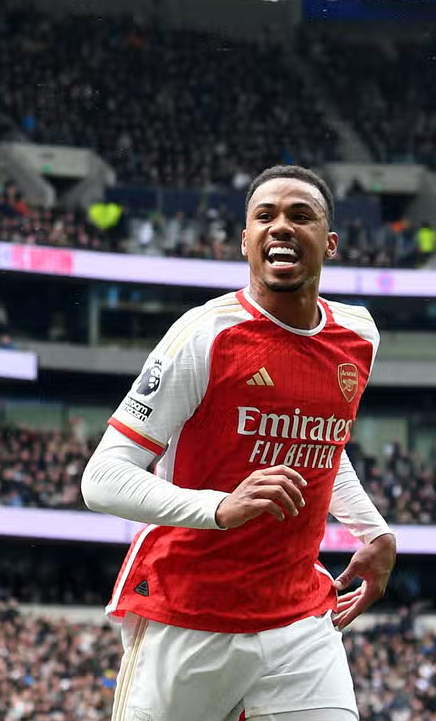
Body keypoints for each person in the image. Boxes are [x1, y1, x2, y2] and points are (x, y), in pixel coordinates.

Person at [81, 165, 397, 721]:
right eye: (265, 216)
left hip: (299, 618)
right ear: (245, 240)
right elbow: (102, 478)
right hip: (188, 616)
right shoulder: (204, 335)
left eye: (301, 216)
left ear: (329, 243)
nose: (281, 226)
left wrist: (372, 530)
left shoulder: (358, 337)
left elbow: (322, 441)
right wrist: (219, 507)